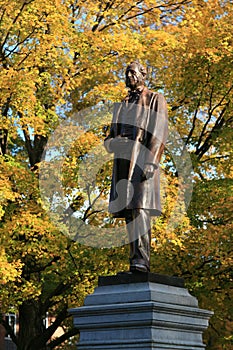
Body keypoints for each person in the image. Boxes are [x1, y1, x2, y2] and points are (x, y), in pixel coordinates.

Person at [104, 61, 168, 272]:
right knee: (130, 211)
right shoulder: (120, 105)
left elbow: (159, 131)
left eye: (132, 72)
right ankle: (134, 260)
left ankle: (141, 259)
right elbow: (108, 141)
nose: (129, 76)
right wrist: (116, 143)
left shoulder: (154, 99)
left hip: (142, 160)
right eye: (126, 73)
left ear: (143, 74)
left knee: (140, 208)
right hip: (123, 164)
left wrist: (151, 161)